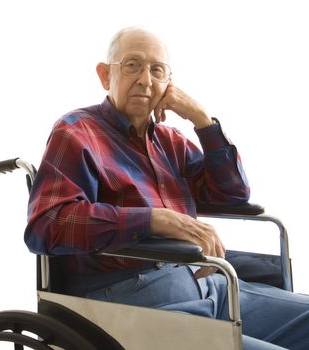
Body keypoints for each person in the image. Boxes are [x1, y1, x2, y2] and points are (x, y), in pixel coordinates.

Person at [25, 27, 309, 350]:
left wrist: (201, 119)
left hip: (208, 282)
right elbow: (46, 225)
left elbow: (233, 194)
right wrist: (153, 219)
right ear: (105, 76)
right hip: (135, 301)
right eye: (132, 65)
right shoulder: (76, 132)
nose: (146, 80)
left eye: (157, 70)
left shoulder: (170, 142)